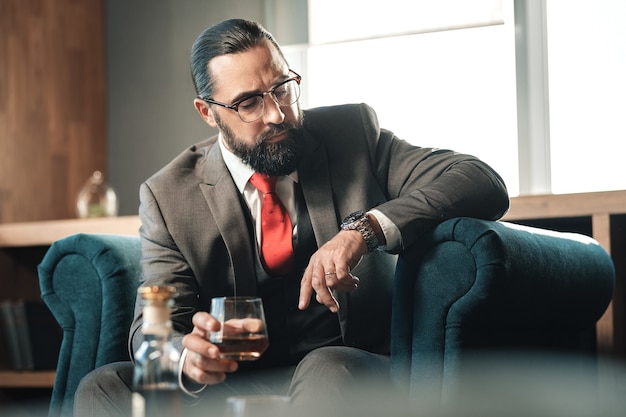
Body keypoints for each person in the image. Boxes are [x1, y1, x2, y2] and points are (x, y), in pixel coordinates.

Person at [74, 18, 509, 416]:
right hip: (232, 382)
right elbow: (154, 332)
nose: (277, 114)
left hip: (349, 368)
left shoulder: (352, 135)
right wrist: (186, 358)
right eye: (248, 103)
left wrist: (365, 229)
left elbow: (480, 180)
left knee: (324, 366)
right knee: (103, 385)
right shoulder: (167, 195)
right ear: (208, 113)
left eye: (282, 88)